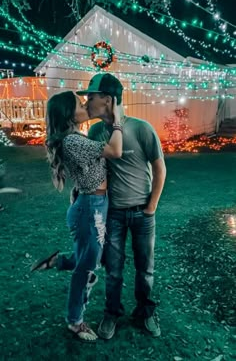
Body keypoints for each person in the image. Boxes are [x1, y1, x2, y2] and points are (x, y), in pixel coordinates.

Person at [32, 73, 166, 339]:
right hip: (107, 211)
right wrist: (80, 192)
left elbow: (159, 167)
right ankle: (105, 315)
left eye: (89, 97)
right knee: (107, 268)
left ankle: (146, 312)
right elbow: (96, 161)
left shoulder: (141, 128)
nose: (86, 102)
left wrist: (151, 207)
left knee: (143, 268)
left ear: (107, 99)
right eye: (82, 100)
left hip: (139, 212)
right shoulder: (92, 132)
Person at [31, 90, 123, 342]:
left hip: (95, 204)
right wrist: (117, 120)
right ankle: (75, 321)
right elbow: (115, 150)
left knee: (92, 260)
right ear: (69, 114)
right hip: (90, 208)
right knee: (86, 268)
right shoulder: (73, 141)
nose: (85, 105)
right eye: (79, 104)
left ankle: (56, 261)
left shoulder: (74, 138)